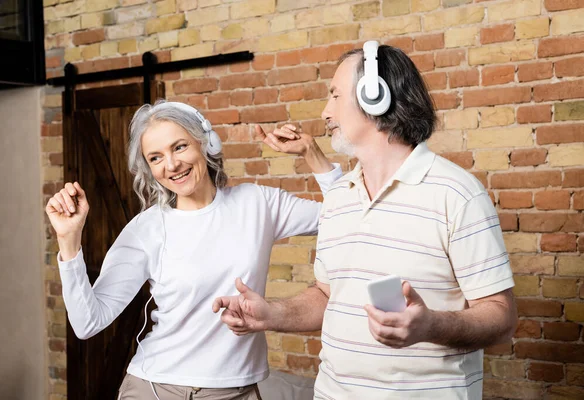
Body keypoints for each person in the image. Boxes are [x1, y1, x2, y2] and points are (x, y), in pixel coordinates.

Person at [214, 41, 518, 399]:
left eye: (335, 96)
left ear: (375, 97)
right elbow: (328, 295)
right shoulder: (339, 197)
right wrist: (271, 314)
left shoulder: (457, 193)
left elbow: (501, 317)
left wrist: (429, 325)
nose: (325, 112)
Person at [45, 100, 343, 400]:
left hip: (234, 390)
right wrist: (69, 241)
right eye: (156, 157)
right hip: (154, 388)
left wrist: (311, 153)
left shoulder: (257, 204)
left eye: (179, 147)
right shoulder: (146, 229)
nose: (171, 165)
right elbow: (87, 323)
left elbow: (347, 217)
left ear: (206, 143)